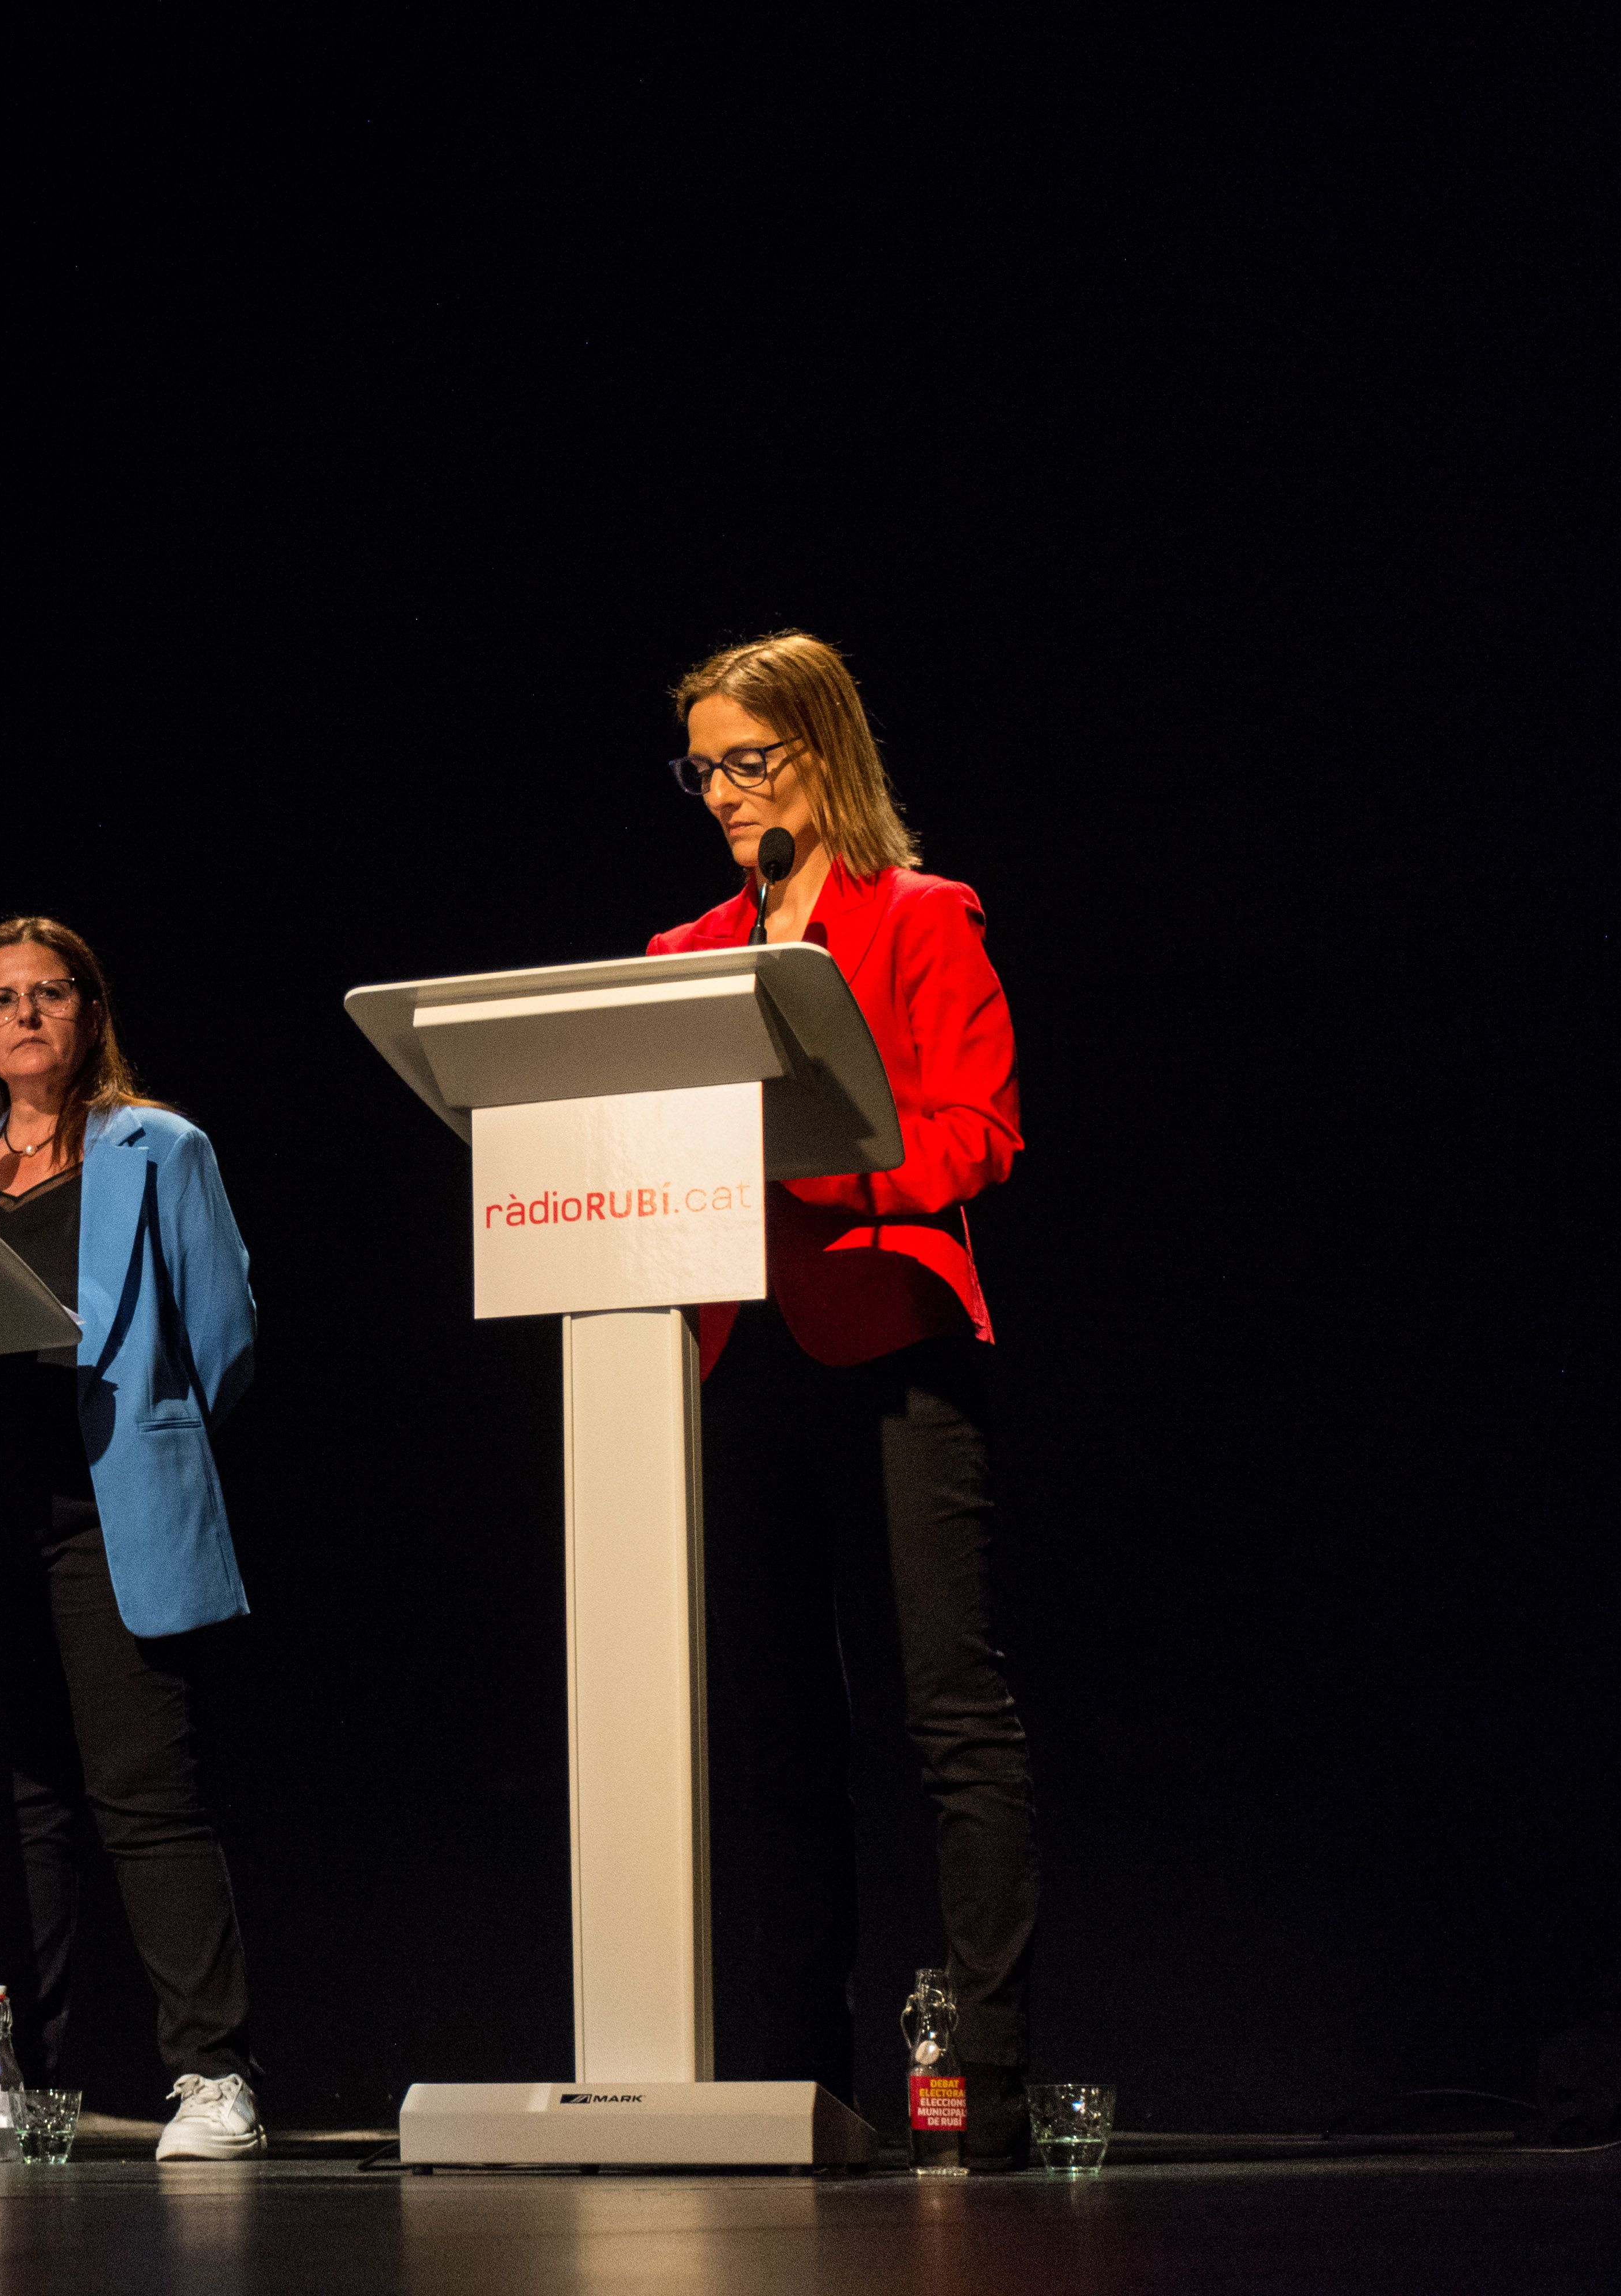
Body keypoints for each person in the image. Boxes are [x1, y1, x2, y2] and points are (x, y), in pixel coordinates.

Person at [644, 632, 1039, 2167]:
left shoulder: (925, 918)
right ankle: (796, 2089)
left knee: (950, 1713)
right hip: (738, 1358)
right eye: (705, 768)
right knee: (773, 1736)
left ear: (825, 755)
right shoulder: (681, 953)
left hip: (891, 1332)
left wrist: (826, 1159)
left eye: (753, 759)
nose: (727, 793)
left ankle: (988, 2087)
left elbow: (981, 1132)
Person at [0, 916, 269, 2161]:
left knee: (145, 1797)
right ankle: (23, 2076)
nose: (24, 1015)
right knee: (12, 1808)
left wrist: (154, 1433)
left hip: (104, 1504)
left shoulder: (158, 1145)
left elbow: (222, 1329)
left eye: (48, 993)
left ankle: (213, 2073)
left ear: (88, 1010)